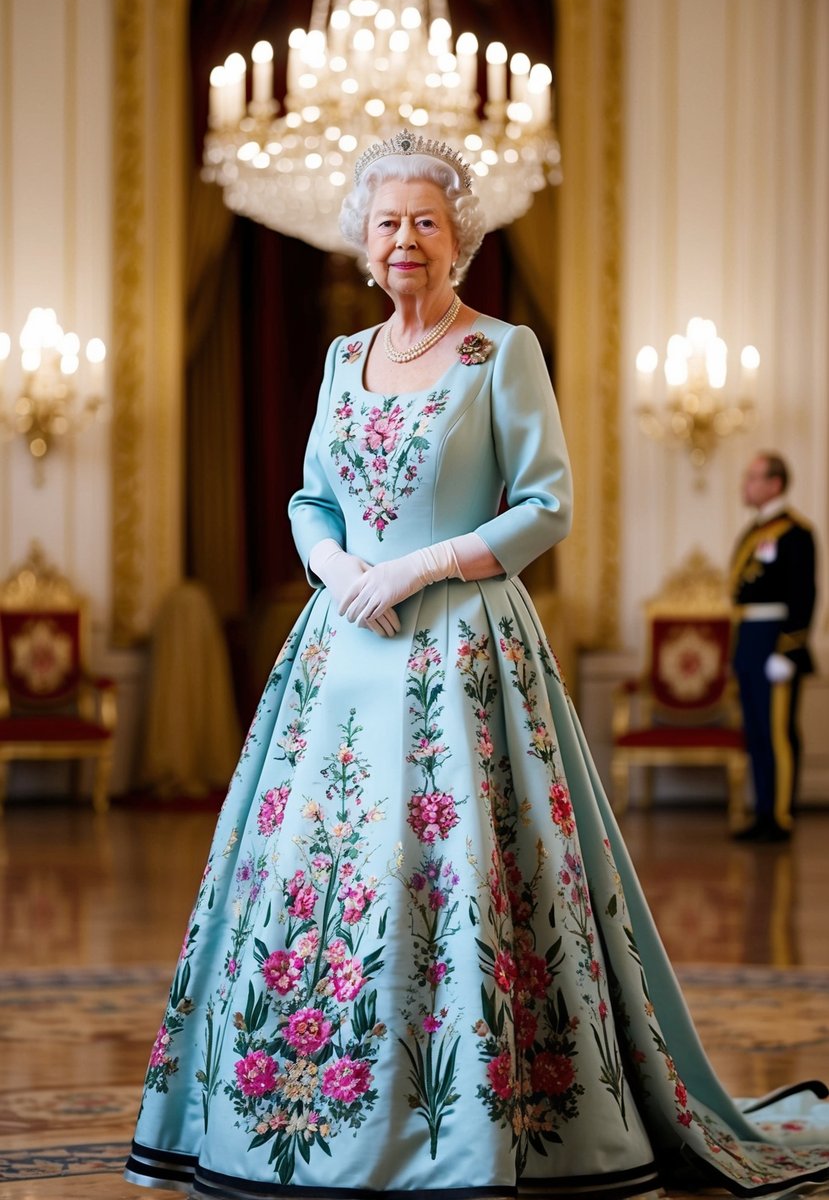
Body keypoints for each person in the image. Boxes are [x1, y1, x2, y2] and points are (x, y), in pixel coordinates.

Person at [125, 132, 829, 1200]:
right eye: (386, 223)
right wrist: (334, 564)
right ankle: (309, 1105)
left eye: (425, 221)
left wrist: (419, 567)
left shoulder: (501, 353)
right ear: (362, 244)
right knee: (319, 882)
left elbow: (548, 505)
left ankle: (465, 1117)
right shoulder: (338, 358)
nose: (404, 240)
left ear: (460, 239)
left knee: (461, 879)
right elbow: (311, 495)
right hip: (343, 647)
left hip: (460, 650)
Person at [731, 452, 817, 843]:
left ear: (775, 484)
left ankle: (780, 814)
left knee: (778, 731)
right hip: (749, 639)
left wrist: (788, 648)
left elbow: (804, 594)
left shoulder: (797, 532)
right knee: (756, 731)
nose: (745, 485)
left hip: (774, 641)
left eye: (753, 477)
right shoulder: (755, 531)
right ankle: (763, 810)